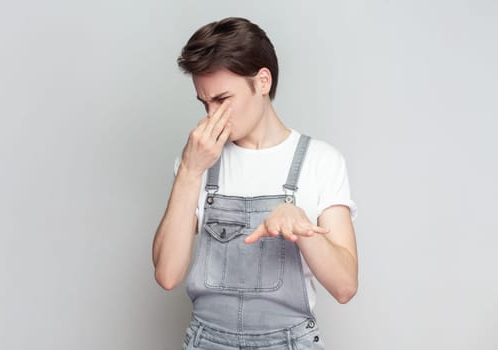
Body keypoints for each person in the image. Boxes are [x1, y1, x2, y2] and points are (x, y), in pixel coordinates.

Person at [152, 17, 358, 350]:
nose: (211, 115)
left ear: (262, 82)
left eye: (222, 99)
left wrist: (302, 227)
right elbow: (167, 275)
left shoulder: (321, 160)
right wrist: (190, 171)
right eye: (205, 103)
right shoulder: (197, 160)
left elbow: (345, 286)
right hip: (207, 341)